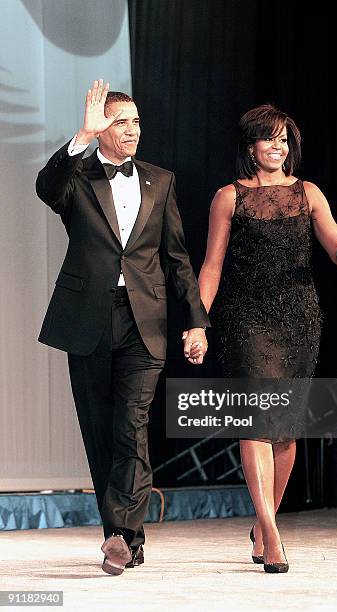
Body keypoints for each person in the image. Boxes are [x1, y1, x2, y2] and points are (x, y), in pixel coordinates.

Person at [36, 79, 209, 575]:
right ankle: (122, 534)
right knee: (100, 430)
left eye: (136, 121)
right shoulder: (78, 177)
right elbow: (46, 188)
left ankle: (122, 536)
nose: (132, 130)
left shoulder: (161, 180)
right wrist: (81, 137)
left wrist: (196, 320)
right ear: (101, 127)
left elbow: (176, 259)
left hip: (144, 318)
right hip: (89, 316)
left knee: (130, 425)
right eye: (120, 122)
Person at [198, 104, 337, 573]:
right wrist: (199, 321)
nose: (277, 147)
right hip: (244, 320)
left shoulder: (308, 193)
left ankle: (262, 522)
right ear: (250, 147)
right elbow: (211, 265)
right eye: (267, 139)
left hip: (299, 320)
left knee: (286, 430)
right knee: (257, 421)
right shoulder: (228, 197)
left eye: (283, 139)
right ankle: (271, 533)